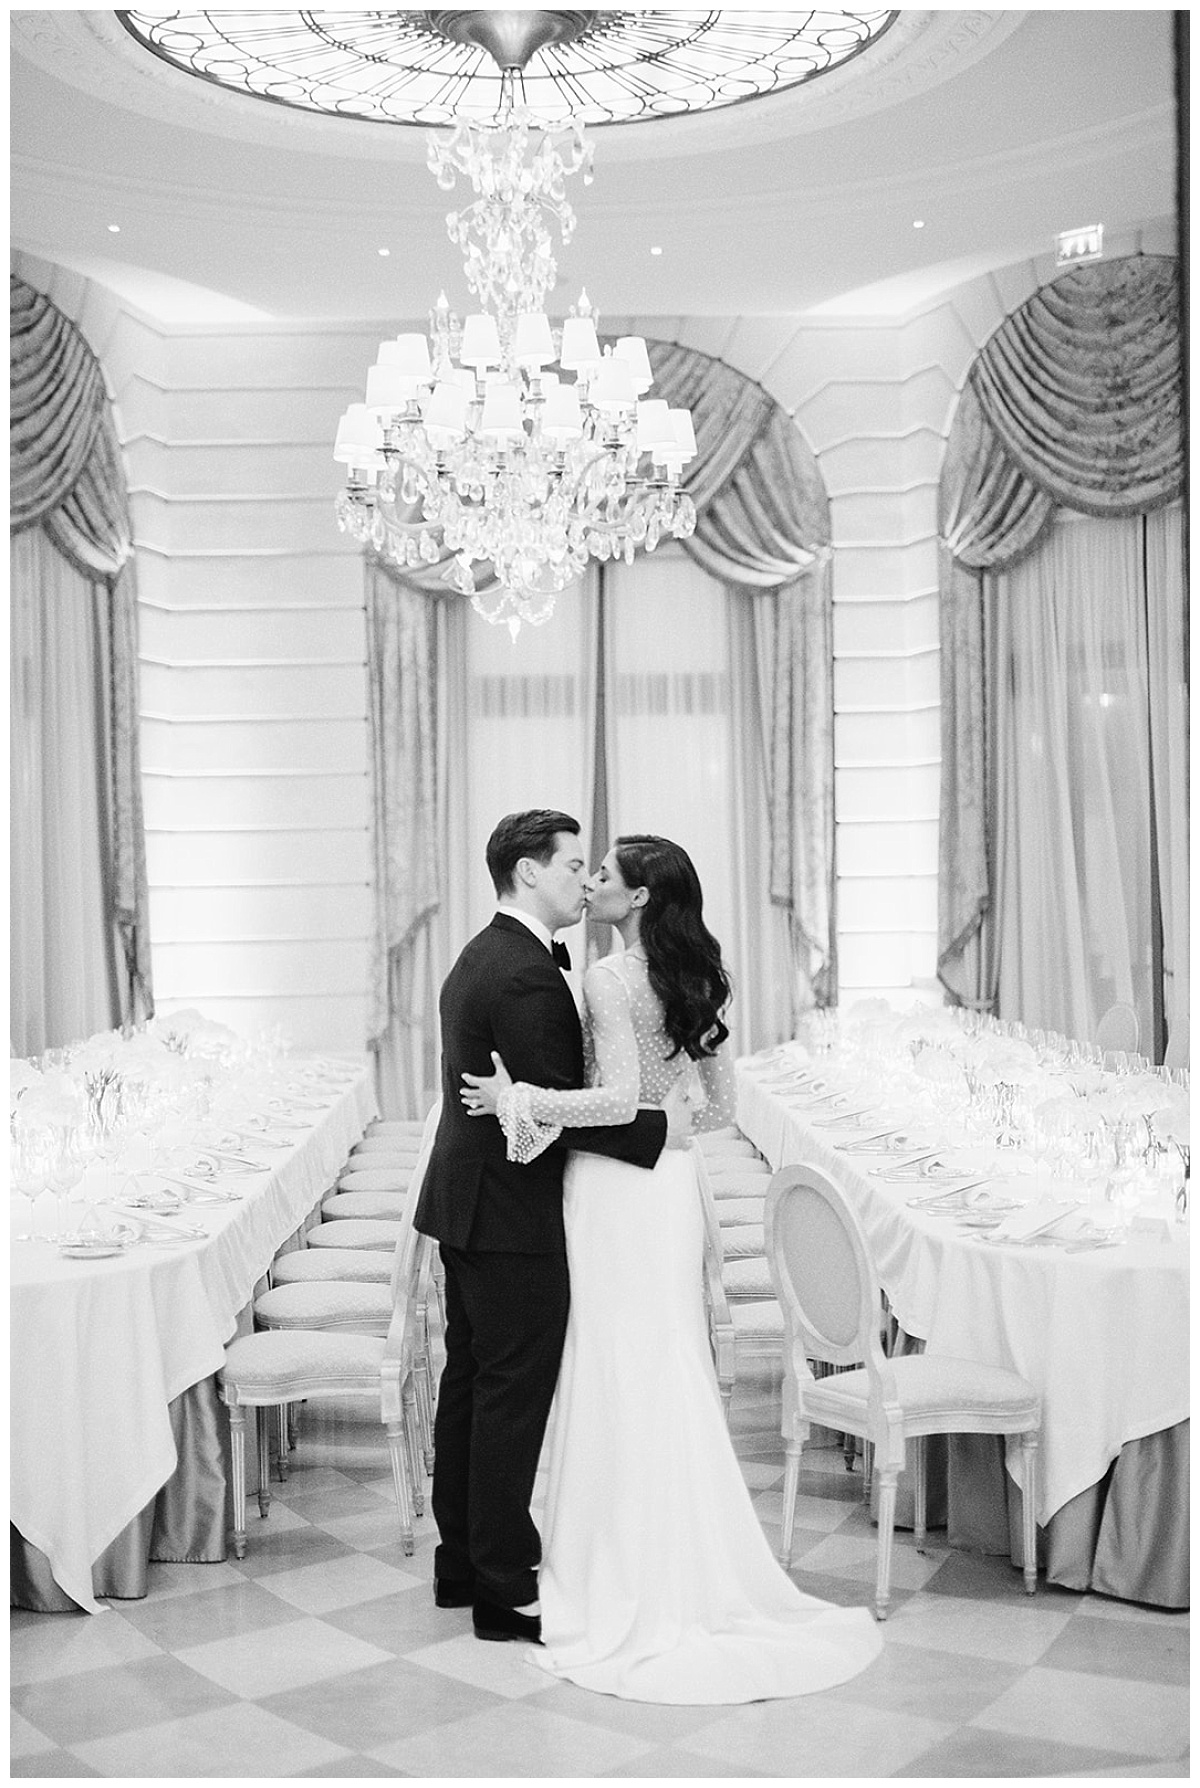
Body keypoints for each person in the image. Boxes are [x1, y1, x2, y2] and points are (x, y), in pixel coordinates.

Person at [462, 834, 883, 1703]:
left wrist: (520, 1100)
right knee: (665, 1359)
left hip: (617, 1188)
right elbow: (720, 1106)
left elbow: (618, 1101)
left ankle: (615, 1565)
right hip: (670, 1184)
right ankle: (680, 1556)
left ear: (642, 898)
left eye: (604, 876)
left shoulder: (612, 980)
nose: (592, 886)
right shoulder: (694, 975)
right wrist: (673, 1115)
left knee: (619, 1361)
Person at [413, 810, 672, 1646]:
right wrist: (659, 1128)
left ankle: (461, 1563)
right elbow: (567, 1109)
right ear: (528, 873)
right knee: (509, 1398)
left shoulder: (483, 952)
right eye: (570, 866)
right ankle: (500, 1585)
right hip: (510, 1211)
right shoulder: (524, 973)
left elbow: (540, 1098)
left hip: (469, 1202)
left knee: (472, 1385)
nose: (582, 881)